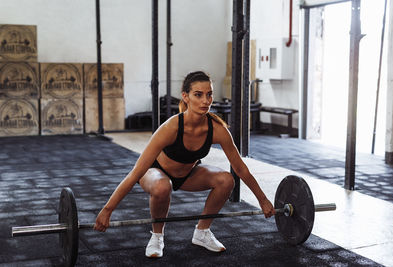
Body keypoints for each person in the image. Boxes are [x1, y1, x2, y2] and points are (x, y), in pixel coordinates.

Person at [94, 71, 275, 258]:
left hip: (188, 174)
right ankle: (157, 236)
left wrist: (262, 199)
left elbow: (240, 168)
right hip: (155, 173)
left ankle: (202, 232)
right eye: (198, 95)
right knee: (163, 185)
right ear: (185, 97)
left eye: (209, 94)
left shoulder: (217, 129)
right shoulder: (170, 128)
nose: (206, 101)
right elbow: (135, 173)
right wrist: (107, 210)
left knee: (226, 180)